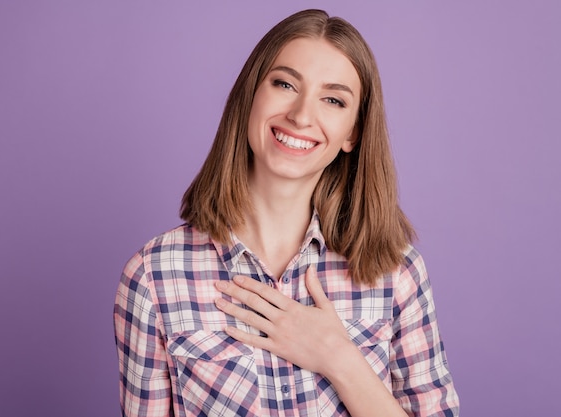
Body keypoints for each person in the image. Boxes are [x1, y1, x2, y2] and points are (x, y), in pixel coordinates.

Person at [113, 9, 459, 417]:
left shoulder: (396, 272)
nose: (301, 115)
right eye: (284, 84)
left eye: (333, 99)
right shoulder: (155, 276)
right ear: (250, 97)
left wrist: (338, 358)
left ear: (353, 133)